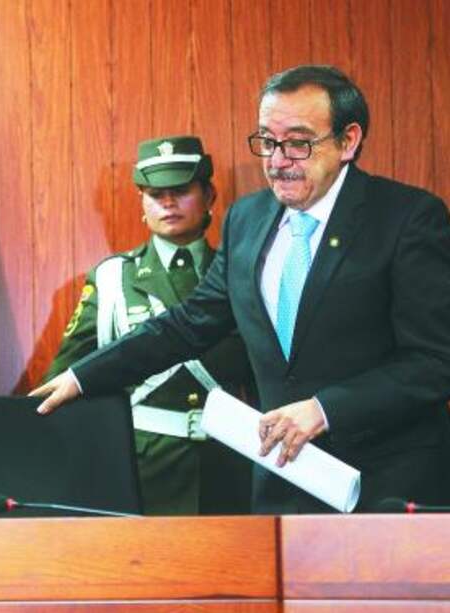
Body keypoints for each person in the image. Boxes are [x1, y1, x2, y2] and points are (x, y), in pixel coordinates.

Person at [34, 65, 450, 514]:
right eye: (267, 142)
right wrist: (83, 376)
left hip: (386, 485)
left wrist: (325, 409)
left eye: (298, 142)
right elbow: (189, 323)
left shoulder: (407, 217)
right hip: (281, 483)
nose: (277, 160)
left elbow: (434, 361)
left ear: (348, 141)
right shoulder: (247, 219)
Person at [44, 136, 253, 515]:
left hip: (232, 460)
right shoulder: (112, 280)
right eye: (155, 193)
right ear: (142, 203)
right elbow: (65, 376)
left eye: (180, 190)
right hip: (145, 465)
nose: (168, 202)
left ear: (209, 195)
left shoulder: (245, 273)